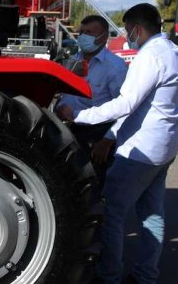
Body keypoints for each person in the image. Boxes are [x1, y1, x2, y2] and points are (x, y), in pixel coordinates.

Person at [58, 3, 178, 284]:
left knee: (112, 212)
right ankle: (145, 278)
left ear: (137, 29)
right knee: (152, 213)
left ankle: (109, 280)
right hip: (164, 145)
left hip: (140, 149)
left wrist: (78, 117)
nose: (127, 36)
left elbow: (125, 104)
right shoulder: (174, 52)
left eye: (128, 30)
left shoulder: (149, 56)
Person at [55, 15, 128, 195]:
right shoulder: (72, 61)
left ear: (103, 37)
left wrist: (107, 141)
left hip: (96, 138)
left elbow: (125, 109)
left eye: (89, 32)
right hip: (69, 133)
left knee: (93, 189)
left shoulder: (115, 67)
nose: (83, 36)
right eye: (81, 32)